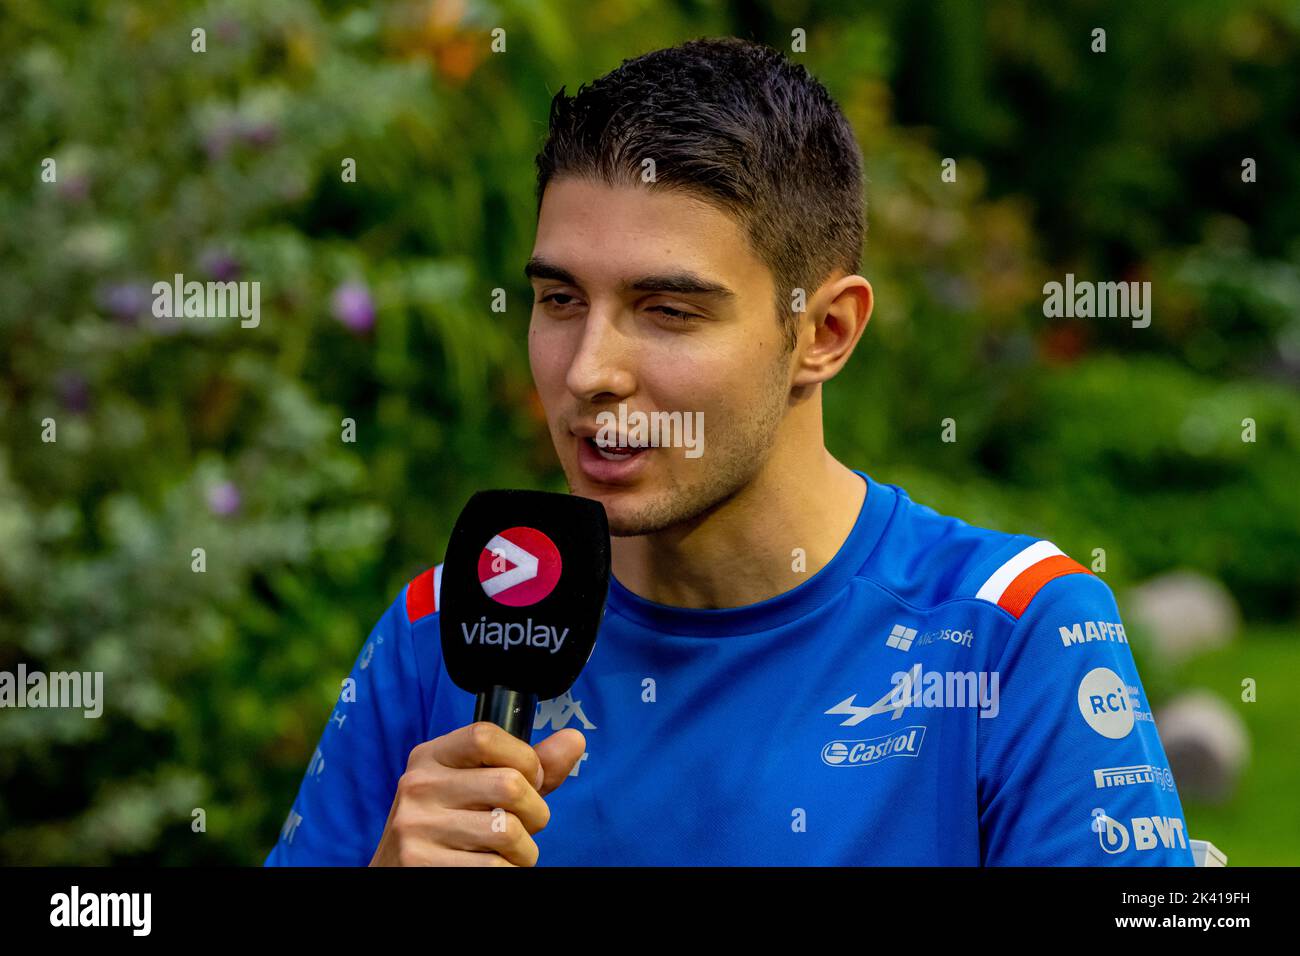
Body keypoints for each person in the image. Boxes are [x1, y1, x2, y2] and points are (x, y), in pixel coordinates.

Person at [265, 37, 1192, 866]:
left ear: (826, 330)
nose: (590, 371)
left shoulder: (1013, 633)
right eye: (559, 300)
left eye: (668, 311)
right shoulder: (440, 628)